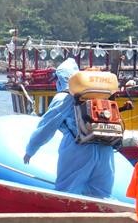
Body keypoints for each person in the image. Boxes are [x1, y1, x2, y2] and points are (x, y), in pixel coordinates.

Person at [22, 58, 116, 198]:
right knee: (102, 197)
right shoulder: (100, 95)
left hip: (78, 147)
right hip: (106, 149)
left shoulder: (64, 97)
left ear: (61, 79)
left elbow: (47, 126)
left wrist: (30, 149)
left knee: (66, 194)